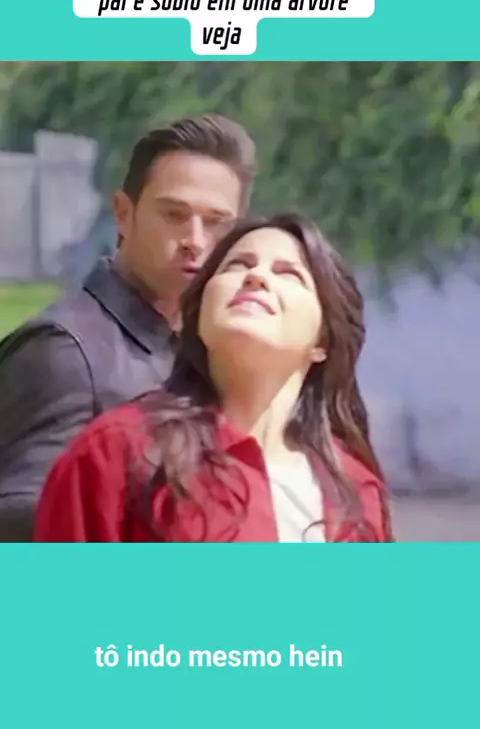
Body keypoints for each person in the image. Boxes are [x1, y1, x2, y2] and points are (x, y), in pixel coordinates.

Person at [35, 213, 393, 542]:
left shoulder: (357, 494)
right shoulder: (115, 452)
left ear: (323, 340)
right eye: (238, 264)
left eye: (288, 273)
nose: (256, 276)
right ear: (200, 312)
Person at [0, 113, 256, 541]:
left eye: (216, 222)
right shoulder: (66, 352)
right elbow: (23, 528)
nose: (195, 240)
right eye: (174, 214)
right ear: (123, 213)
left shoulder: (207, 348)